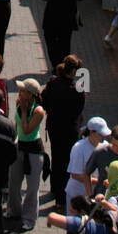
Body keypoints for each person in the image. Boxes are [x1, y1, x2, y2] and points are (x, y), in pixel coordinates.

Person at [41, 55, 86, 209]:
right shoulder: (77, 90)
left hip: (54, 126)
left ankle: (55, 188)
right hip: (70, 130)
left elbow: (44, 100)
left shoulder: (53, 83)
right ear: (74, 71)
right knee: (66, 162)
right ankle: (61, 196)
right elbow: (80, 109)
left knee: (56, 156)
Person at [7, 78, 46, 231]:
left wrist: (24, 111)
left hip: (34, 151)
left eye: (22, 90)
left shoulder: (38, 111)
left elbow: (27, 129)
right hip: (20, 147)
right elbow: (17, 126)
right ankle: (13, 210)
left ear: (30, 94)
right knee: (14, 181)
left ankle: (29, 218)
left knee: (32, 187)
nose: (19, 92)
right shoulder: (18, 102)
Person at [66, 118, 110, 208]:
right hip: (77, 195)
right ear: (92, 132)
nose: (104, 136)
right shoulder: (79, 148)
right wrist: (98, 181)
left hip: (96, 195)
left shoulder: (106, 146)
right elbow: (75, 174)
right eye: (101, 134)